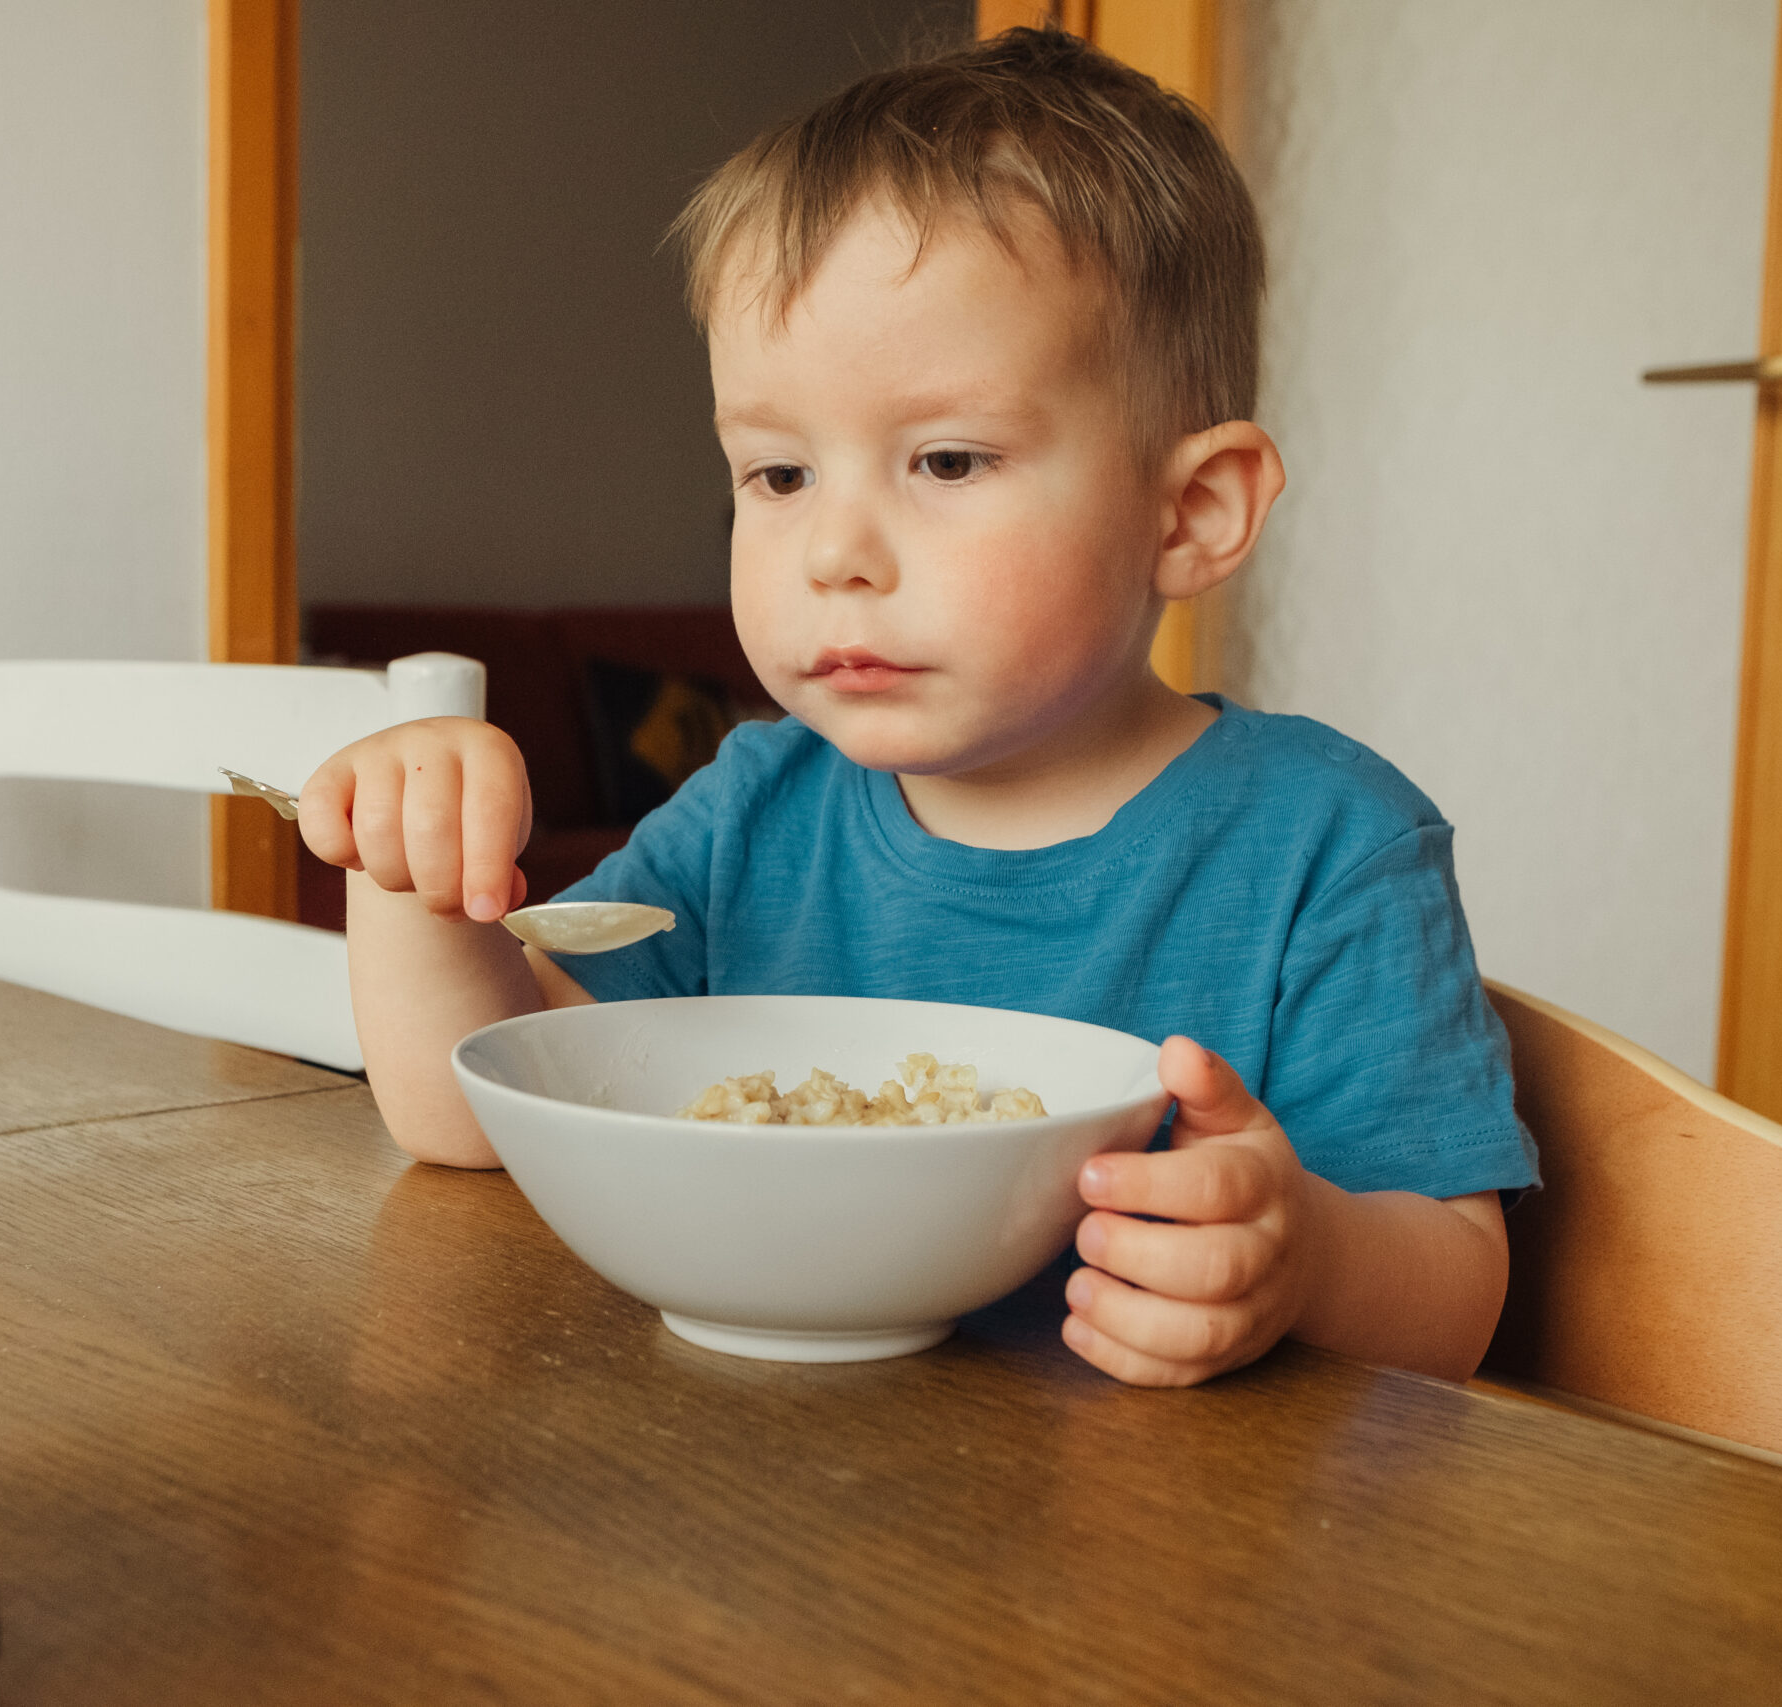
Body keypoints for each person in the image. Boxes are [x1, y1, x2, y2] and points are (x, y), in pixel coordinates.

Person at [295, 26, 1537, 1388]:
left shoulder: (1326, 842)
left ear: (1190, 513)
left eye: (945, 459)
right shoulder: (756, 806)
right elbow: (469, 1114)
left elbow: (1456, 1298)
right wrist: (409, 873)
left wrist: (1304, 1255)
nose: (836, 552)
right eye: (776, 476)